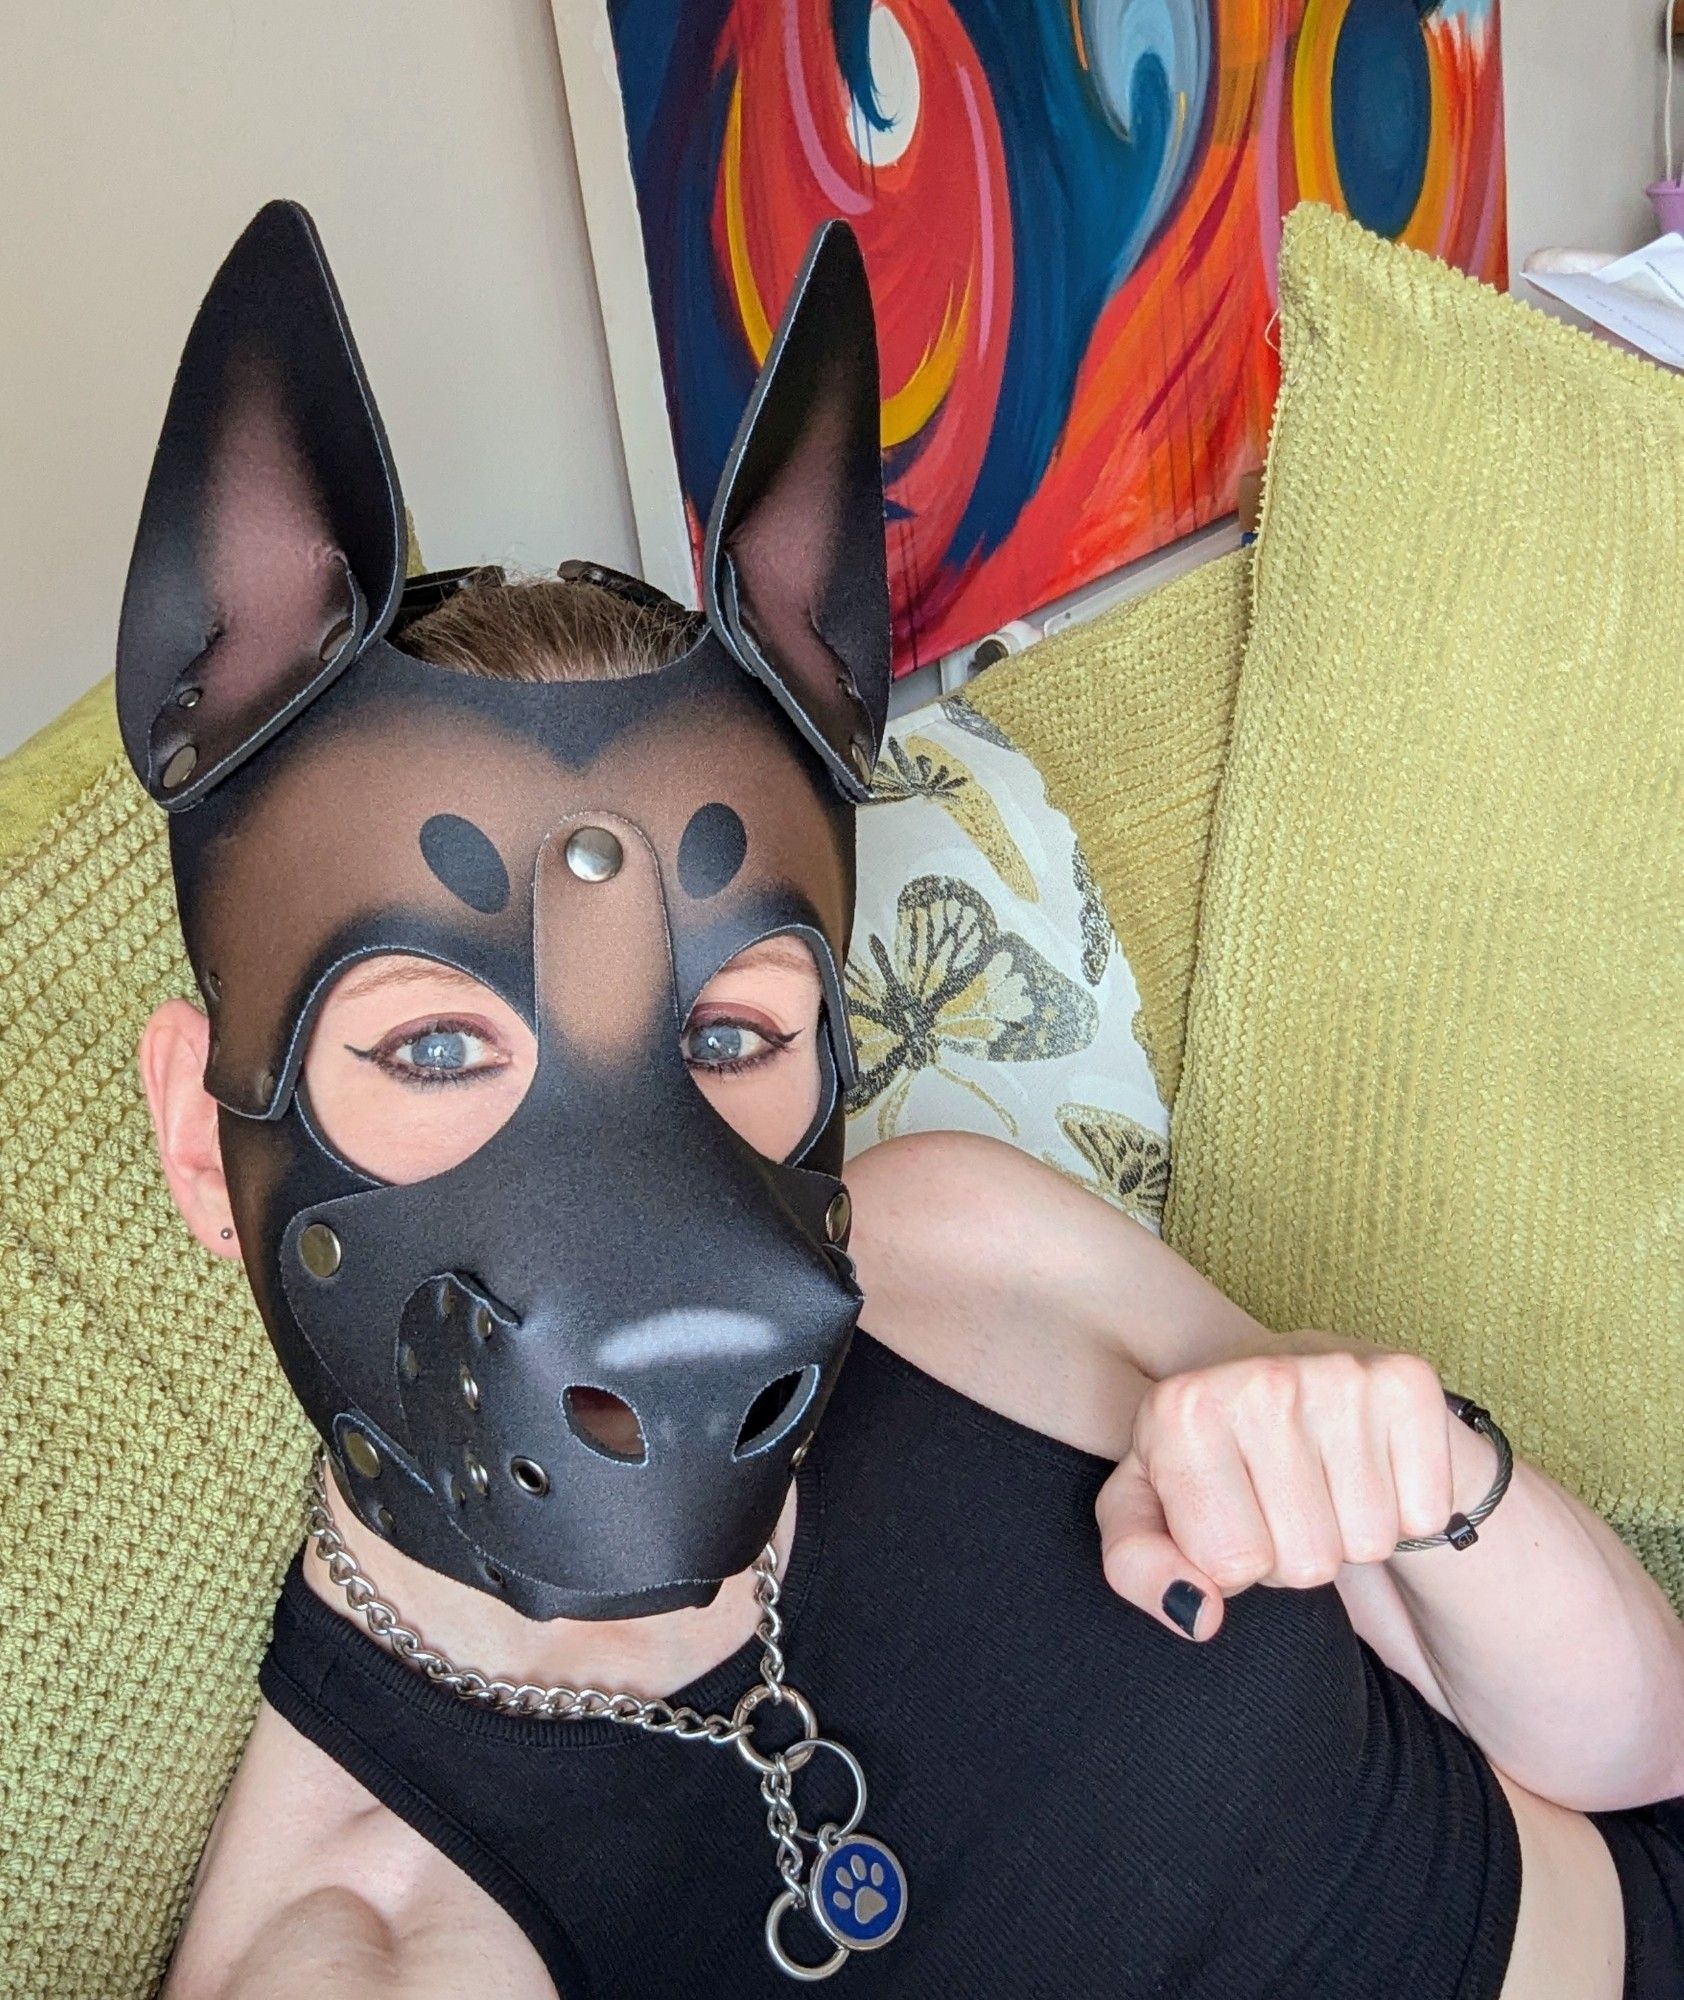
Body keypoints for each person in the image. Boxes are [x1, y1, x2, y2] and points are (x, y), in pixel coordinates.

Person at [121, 203, 1684, 2000]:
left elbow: (1644, 1747)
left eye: (729, 1038)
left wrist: (1430, 1485)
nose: (635, 1187)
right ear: (199, 1124)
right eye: (437, 1051)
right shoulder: (365, 1936)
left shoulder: (945, 1237)